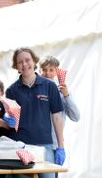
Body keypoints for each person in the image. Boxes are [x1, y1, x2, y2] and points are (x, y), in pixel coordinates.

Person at [5, 48, 65, 178]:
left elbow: (56, 117)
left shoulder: (50, 86)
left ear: (34, 61)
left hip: (45, 145)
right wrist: (7, 117)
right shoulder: (11, 90)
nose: (25, 64)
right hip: (20, 146)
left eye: (27, 60)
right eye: (20, 62)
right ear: (16, 67)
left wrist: (61, 147)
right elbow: (9, 116)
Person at [39, 55, 80, 149]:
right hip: (34, 144)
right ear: (39, 71)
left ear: (56, 72)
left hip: (54, 145)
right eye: (44, 70)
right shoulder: (32, 91)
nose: (47, 73)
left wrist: (66, 96)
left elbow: (76, 117)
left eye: (51, 70)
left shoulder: (62, 93)